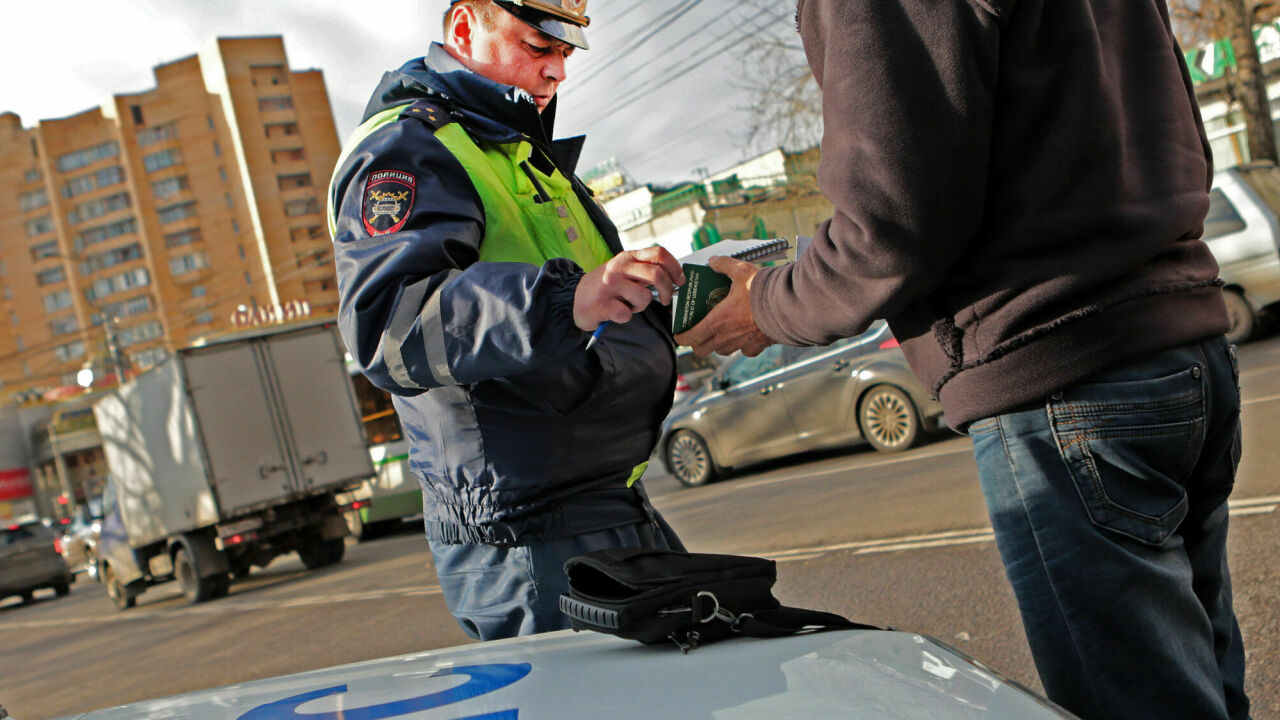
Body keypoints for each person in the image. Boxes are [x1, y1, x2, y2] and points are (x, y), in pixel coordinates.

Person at [676, 1, 1249, 719]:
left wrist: (764, 305)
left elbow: (890, 224)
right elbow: (1185, 136)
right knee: (1205, 691)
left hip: (1061, 375)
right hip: (1184, 343)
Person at [328, 0, 686, 642]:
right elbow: (390, 326)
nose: (557, 73)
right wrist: (569, 299)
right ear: (464, 27)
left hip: (604, 500)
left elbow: (590, 309)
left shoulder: (515, 149)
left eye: (566, 54)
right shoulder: (409, 147)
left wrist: (667, 306)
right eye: (537, 47)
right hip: (526, 534)